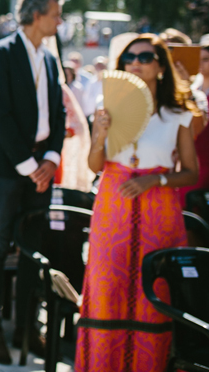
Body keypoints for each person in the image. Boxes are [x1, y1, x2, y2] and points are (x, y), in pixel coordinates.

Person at [76, 35, 199, 372]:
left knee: (153, 292)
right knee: (107, 290)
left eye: (145, 57)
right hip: (113, 211)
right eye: (129, 58)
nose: (135, 63)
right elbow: (94, 165)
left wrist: (155, 179)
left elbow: (190, 172)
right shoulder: (107, 106)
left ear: (160, 66)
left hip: (158, 213)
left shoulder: (178, 115)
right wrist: (99, 136)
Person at [0, 0, 66, 364]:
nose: (60, 21)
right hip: (6, 168)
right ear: (36, 14)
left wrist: (51, 158)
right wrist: (30, 168)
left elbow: (59, 113)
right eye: (56, 14)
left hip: (42, 168)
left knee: (33, 248)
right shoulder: (1, 52)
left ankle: (27, 327)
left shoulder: (50, 58)